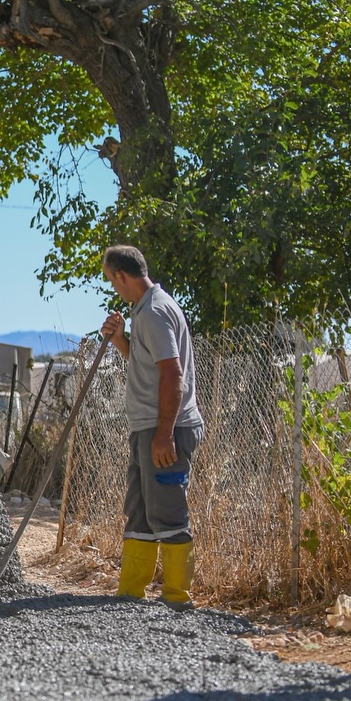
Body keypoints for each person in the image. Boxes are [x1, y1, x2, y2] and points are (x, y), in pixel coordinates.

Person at [100, 245, 206, 610]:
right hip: (147, 428)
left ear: (121, 276)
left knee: (168, 511)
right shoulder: (144, 311)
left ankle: (177, 598)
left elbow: (172, 374)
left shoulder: (155, 313)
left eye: (112, 281)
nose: (115, 288)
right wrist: (119, 341)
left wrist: (164, 433)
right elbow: (146, 363)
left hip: (166, 430)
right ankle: (131, 593)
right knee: (141, 510)